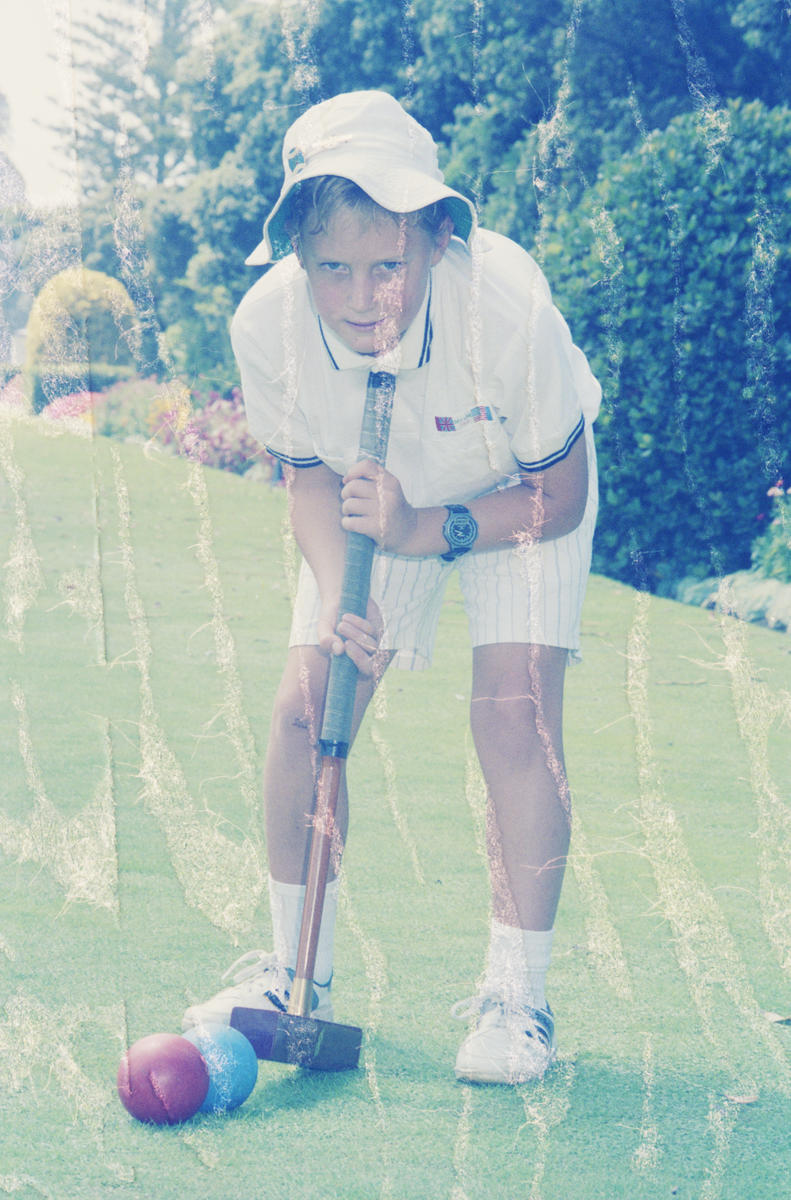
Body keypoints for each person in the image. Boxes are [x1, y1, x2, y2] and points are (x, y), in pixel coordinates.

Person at [183, 90, 600, 1085]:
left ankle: (516, 999)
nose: (364, 296)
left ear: (435, 236)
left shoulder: (505, 312)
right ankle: (294, 974)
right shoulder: (267, 326)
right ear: (295, 256)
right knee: (303, 706)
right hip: (369, 502)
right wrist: (340, 595)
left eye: (388, 265)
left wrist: (430, 527)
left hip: (513, 492)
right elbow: (311, 479)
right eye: (334, 268)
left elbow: (563, 493)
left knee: (511, 713)